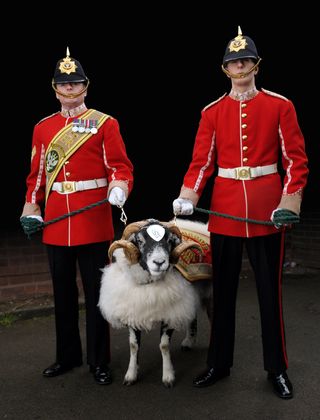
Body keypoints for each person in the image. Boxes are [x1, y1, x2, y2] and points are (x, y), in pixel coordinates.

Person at [172, 27, 308, 399]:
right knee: (223, 293)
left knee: (269, 294)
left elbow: (295, 161)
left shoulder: (280, 106)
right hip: (226, 211)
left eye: (245, 60)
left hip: (267, 212)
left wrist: (289, 202)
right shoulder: (212, 112)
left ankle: (277, 369)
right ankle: (218, 363)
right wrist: (188, 194)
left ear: (256, 65)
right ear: (224, 68)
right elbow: (202, 162)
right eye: (233, 62)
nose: (240, 66)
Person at [20, 48, 134, 385]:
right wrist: (31, 207)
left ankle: (99, 361)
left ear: (86, 86)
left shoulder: (105, 123)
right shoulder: (43, 128)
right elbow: (37, 176)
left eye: (76, 84)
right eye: (64, 85)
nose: (70, 90)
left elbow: (121, 167)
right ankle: (66, 356)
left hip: (93, 218)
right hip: (56, 224)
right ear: (55, 89)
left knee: (98, 295)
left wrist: (119, 188)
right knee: (62, 294)